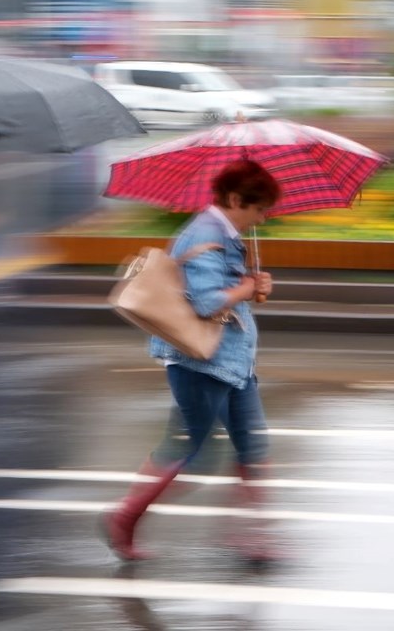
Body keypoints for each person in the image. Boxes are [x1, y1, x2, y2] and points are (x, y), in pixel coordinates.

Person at [102, 159, 280, 563]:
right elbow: (204, 302)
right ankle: (123, 518)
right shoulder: (205, 234)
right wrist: (246, 289)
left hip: (232, 362)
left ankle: (253, 536)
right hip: (201, 364)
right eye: (259, 209)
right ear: (236, 199)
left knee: (252, 446)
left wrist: (253, 285)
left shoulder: (225, 234)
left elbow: (225, 291)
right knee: (192, 450)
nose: (264, 218)